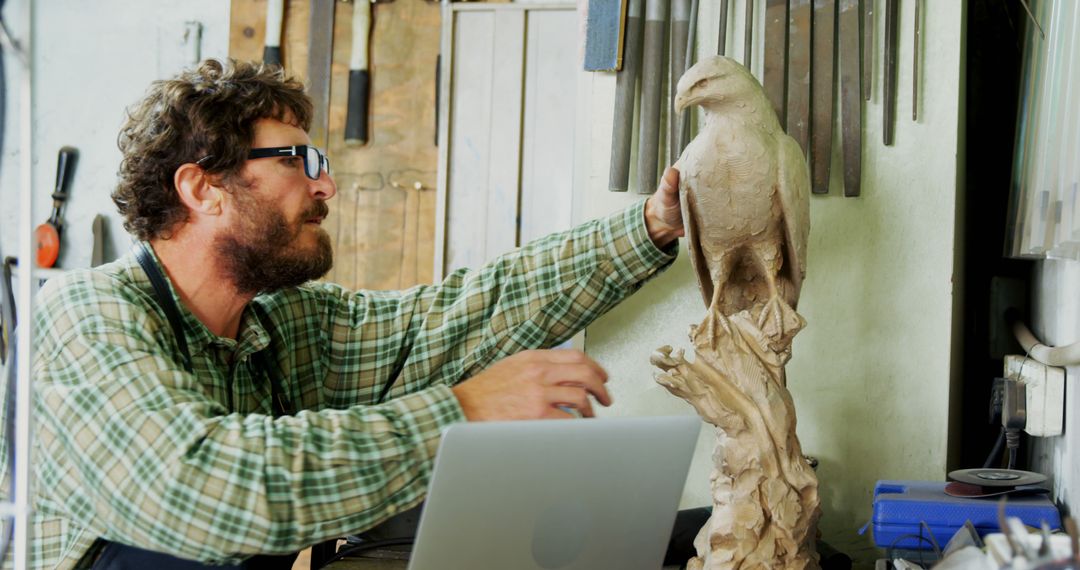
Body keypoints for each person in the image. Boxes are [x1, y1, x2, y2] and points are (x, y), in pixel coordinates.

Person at [13, 58, 684, 569]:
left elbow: (464, 315)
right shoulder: (87, 316)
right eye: (298, 160)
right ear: (202, 188)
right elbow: (204, 486)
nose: (326, 184)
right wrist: (466, 410)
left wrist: (650, 227)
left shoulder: (284, 326)